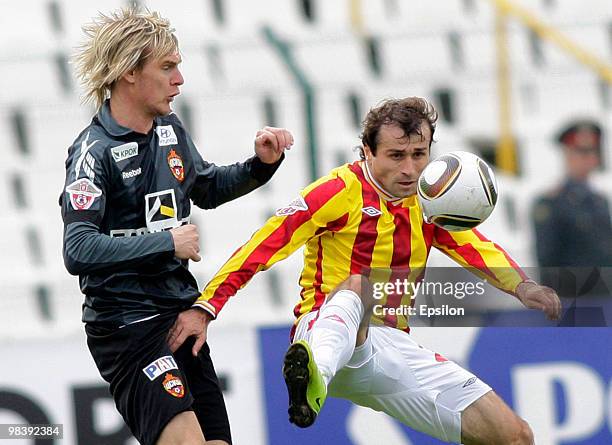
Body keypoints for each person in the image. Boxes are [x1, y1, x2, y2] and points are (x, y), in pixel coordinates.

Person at [168, 97, 561, 444]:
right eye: (396, 155)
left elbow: (474, 245)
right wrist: (206, 307)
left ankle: (315, 378)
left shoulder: (429, 201)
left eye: (419, 154)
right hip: (327, 333)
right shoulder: (337, 192)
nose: (410, 169)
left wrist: (522, 286)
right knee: (359, 284)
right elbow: (262, 246)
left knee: (514, 435)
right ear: (366, 152)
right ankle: (309, 378)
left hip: (391, 347)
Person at [61, 7, 293, 445]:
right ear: (129, 71)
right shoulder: (93, 154)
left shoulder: (169, 128)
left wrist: (260, 166)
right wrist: (166, 242)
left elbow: (205, 186)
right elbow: (78, 248)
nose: (180, 79)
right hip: (127, 326)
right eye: (168, 67)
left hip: (180, 315)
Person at [532, 120, 612, 295]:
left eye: (592, 152)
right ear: (567, 154)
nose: (589, 159)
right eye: (581, 153)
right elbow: (548, 263)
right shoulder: (550, 204)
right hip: (574, 302)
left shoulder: (600, 200)